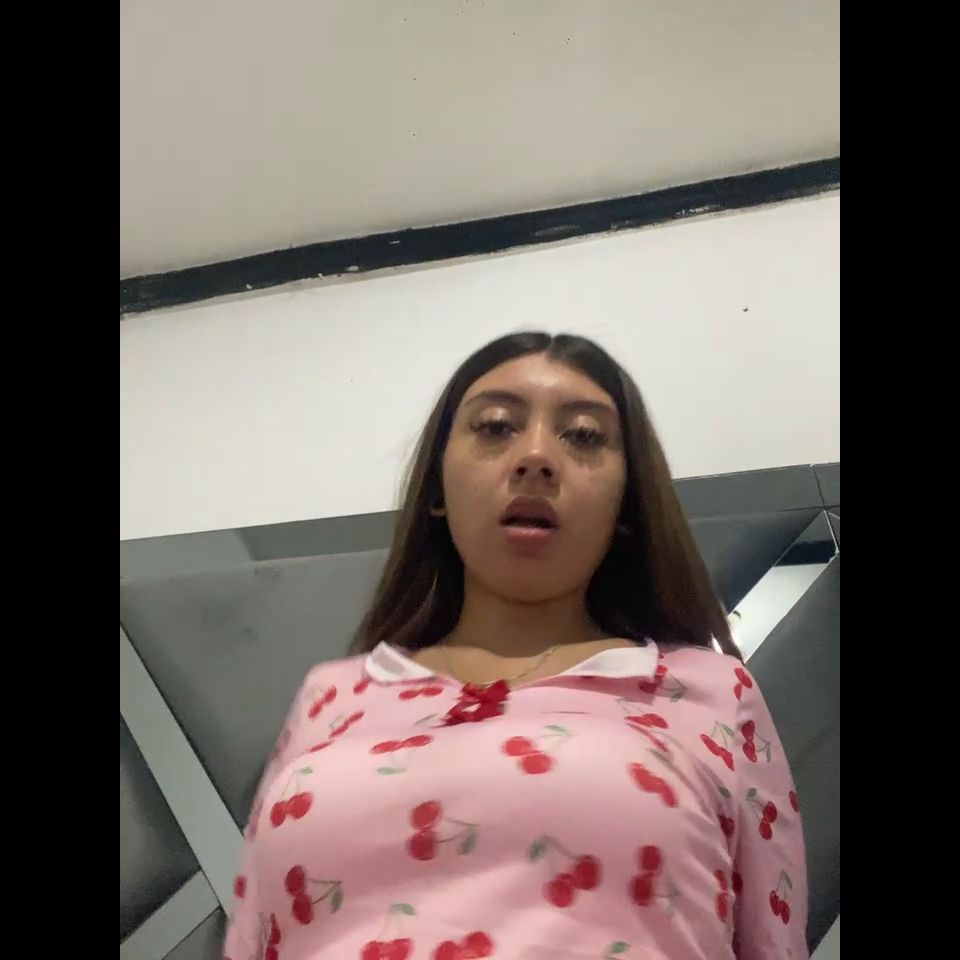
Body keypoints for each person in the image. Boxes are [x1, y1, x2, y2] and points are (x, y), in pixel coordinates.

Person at [223, 332, 807, 960]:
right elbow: (252, 937)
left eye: (583, 435)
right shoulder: (331, 697)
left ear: (627, 505)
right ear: (437, 489)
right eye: (496, 426)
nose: (535, 457)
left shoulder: (713, 695)